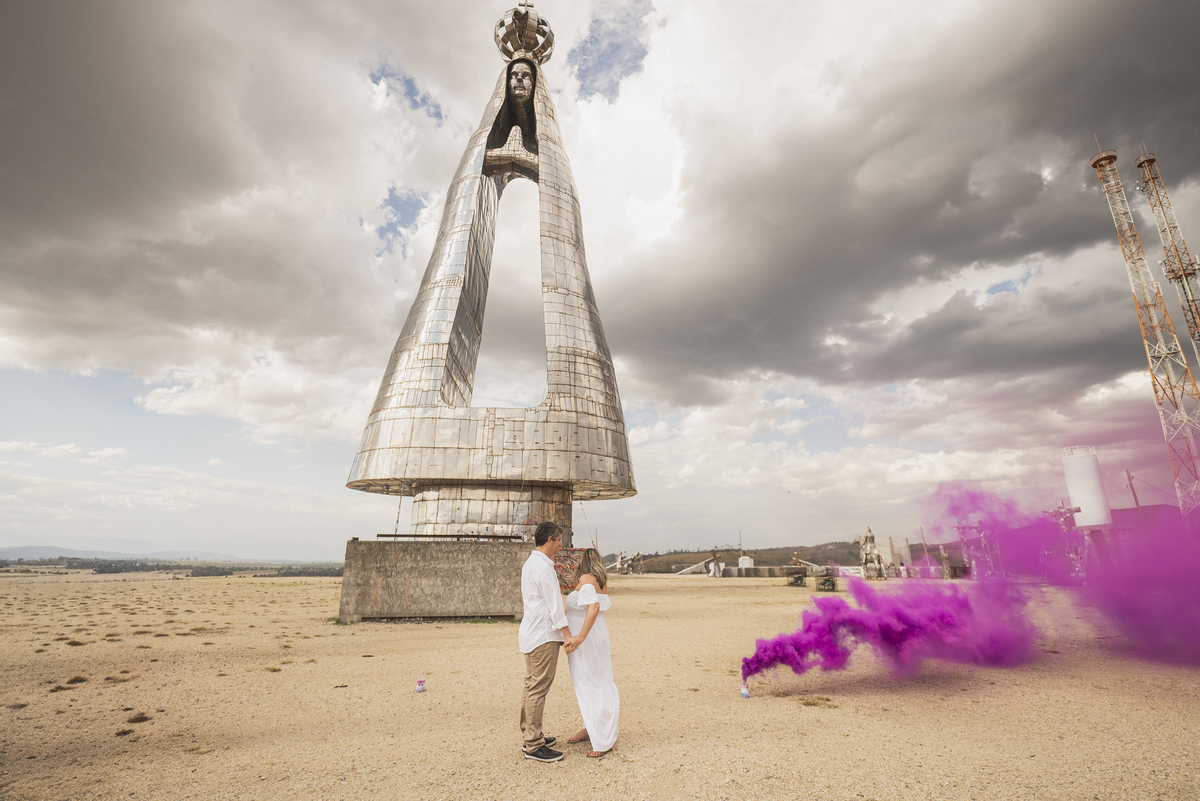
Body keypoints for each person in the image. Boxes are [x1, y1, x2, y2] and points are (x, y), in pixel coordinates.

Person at [518, 521, 578, 763]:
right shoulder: (544, 568)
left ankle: (531, 734)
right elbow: (554, 605)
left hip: (531, 633)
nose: (561, 545)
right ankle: (532, 744)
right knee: (538, 688)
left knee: (531, 685)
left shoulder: (530, 563)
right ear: (551, 539)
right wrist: (567, 635)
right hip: (543, 636)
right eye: (559, 540)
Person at [563, 548, 620, 757]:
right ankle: (591, 728)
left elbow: (593, 608)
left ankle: (602, 740)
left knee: (588, 683)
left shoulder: (587, 579)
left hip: (586, 638)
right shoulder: (601, 581)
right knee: (598, 681)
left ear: (583, 562)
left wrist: (579, 638)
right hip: (598, 635)